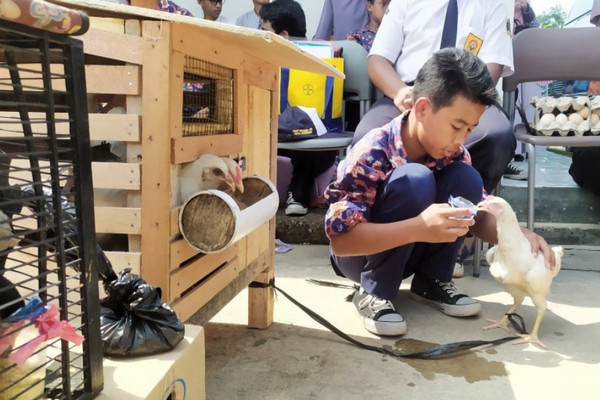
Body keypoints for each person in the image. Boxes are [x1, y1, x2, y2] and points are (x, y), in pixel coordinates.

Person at [325, 48, 556, 336]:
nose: (461, 140)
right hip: (361, 255)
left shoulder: (453, 153)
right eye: (456, 126)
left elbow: (478, 213)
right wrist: (418, 228)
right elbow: (342, 242)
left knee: (466, 179)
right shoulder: (371, 152)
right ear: (422, 108)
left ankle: (432, 280)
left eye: (470, 130)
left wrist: (520, 235)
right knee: (415, 179)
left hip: (410, 247)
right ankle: (374, 290)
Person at [353, 0, 518, 191]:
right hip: (408, 93)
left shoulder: (492, 5)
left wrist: (461, 101)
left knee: (496, 135)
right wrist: (398, 91)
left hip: (467, 96)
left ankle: (462, 203)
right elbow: (378, 60)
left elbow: (492, 67)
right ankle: (387, 211)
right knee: (367, 136)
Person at [260, 0, 338, 215]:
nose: (261, 35)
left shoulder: (324, 55)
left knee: (301, 123)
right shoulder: (263, 59)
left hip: (317, 139)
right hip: (278, 135)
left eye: (265, 30)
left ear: (283, 35)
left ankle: (298, 192)